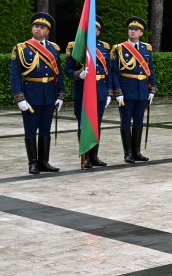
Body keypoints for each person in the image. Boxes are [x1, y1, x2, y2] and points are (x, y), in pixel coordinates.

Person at [11, 12, 65, 175]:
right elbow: (14, 75)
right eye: (36, 26)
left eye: (42, 27)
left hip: (49, 94)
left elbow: (58, 73)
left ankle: (44, 161)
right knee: (30, 129)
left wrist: (61, 94)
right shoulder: (21, 48)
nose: (38, 29)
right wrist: (20, 97)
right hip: (30, 94)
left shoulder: (53, 48)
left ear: (47, 31)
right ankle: (33, 162)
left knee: (45, 129)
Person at [65, 15, 112, 168]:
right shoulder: (75, 46)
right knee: (83, 123)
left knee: (96, 124)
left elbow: (108, 71)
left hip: (99, 89)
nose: (92, 31)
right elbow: (68, 69)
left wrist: (109, 92)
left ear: (98, 32)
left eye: (95, 29)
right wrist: (79, 74)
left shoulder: (104, 47)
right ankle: (85, 156)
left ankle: (94, 156)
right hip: (83, 89)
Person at [112, 16, 156, 163]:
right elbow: (114, 72)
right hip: (126, 91)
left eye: (136, 29)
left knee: (138, 122)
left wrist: (152, 89)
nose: (132, 31)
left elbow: (150, 70)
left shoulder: (146, 48)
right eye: (130, 29)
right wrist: (118, 92)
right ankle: (128, 153)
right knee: (125, 122)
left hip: (142, 90)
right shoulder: (119, 48)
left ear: (141, 33)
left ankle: (137, 151)